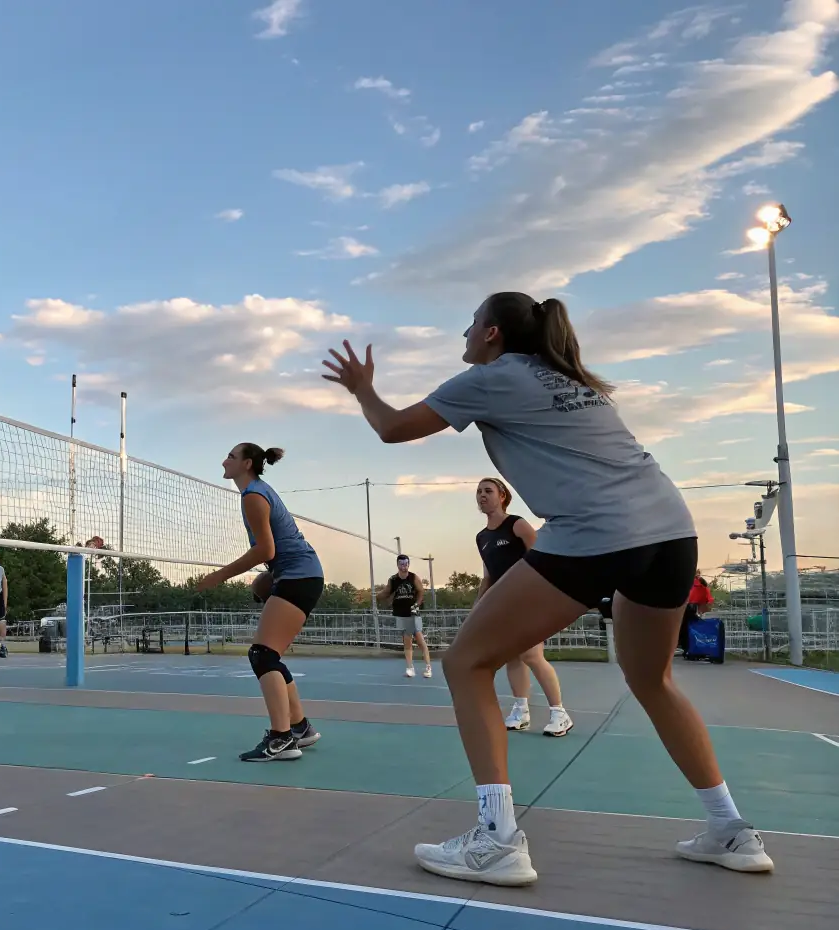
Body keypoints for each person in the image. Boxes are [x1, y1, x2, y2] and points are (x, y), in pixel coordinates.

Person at [322, 293, 773, 886]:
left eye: (468, 321)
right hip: (670, 532)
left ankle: (497, 840)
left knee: (465, 663)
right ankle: (731, 829)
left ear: (490, 333)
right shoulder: (572, 380)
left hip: (595, 533)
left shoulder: (494, 377)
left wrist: (361, 389)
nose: (463, 331)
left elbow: (392, 428)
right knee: (653, 680)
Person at [196, 444, 324, 762]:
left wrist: (220, 575)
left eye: (230, 456)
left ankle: (281, 739)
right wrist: (265, 582)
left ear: (247, 464)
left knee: (261, 654)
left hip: (299, 576)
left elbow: (266, 550)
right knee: (270, 656)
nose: (224, 460)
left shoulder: (253, 495)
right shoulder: (256, 492)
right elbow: (274, 553)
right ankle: (300, 728)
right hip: (299, 575)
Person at [474, 477, 572, 737]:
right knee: (512, 657)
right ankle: (521, 711)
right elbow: (488, 576)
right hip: (503, 604)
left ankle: (560, 713)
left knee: (531, 655)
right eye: (479, 492)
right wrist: (479, 607)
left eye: (488, 491)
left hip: (529, 599)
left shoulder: (516, 524)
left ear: (502, 496)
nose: (482, 495)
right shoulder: (482, 537)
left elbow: (543, 557)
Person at [382, 555, 431, 678]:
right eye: (401, 564)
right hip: (401, 613)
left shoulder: (413, 577)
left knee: (419, 639)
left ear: (408, 564)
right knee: (407, 641)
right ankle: (410, 667)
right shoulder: (393, 580)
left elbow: (421, 591)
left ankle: (428, 667)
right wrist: (379, 596)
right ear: (398, 565)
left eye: (406, 564)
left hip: (413, 613)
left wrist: (417, 604)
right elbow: (387, 592)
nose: (404, 566)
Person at [679, 572, 714, 654]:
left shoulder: (689, 584)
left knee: (684, 629)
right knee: (692, 628)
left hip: (685, 608)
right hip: (691, 609)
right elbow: (709, 600)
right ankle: (688, 648)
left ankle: (686, 648)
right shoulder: (701, 585)